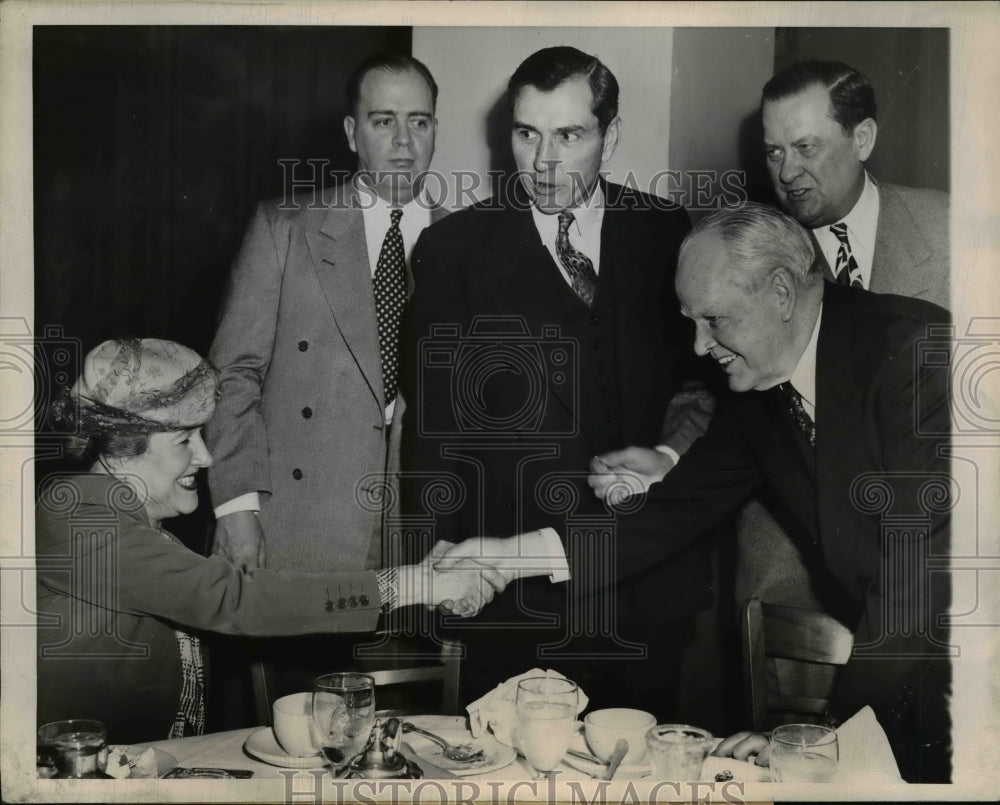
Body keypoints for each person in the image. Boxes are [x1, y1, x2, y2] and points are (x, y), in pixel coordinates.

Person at [438, 204, 952, 783]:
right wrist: (506, 558)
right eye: (691, 321)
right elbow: (665, 515)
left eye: (715, 320)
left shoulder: (914, 354)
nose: (701, 347)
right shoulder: (763, 388)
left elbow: (917, 582)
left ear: (781, 293)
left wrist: (824, 740)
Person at [403, 46, 712, 716]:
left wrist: (671, 454)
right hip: (512, 597)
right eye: (526, 133)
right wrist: (437, 572)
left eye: (569, 135)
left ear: (612, 135)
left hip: (648, 587)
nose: (543, 162)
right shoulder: (455, 250)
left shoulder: (665, 232)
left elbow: (700, 387)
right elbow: (434, 434)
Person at [36, 338, 505, 744]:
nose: (206, 455)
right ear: (121, 448)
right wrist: (411, 586)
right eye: (184, 440)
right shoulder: (78, 517)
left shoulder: (119, 516)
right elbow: (236, 600)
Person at [205, 52, 443, 574]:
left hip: (420, 531)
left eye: (418, 122)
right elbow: (233, 375)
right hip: (296, 520)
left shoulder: (469, 243)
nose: (404, 141)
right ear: (352, 133)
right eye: (384, 121)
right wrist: (237, 506)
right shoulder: (285, 227)